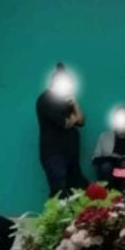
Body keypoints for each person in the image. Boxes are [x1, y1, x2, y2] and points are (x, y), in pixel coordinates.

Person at [36, 63, 87, 197]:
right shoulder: (44, 99)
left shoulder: (66, 100)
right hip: (54, 155)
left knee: (78, 190)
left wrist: (75, 104)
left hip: (71, 155)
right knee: (59, 191)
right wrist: (73, 119)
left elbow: (81, 121)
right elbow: (65, 123)